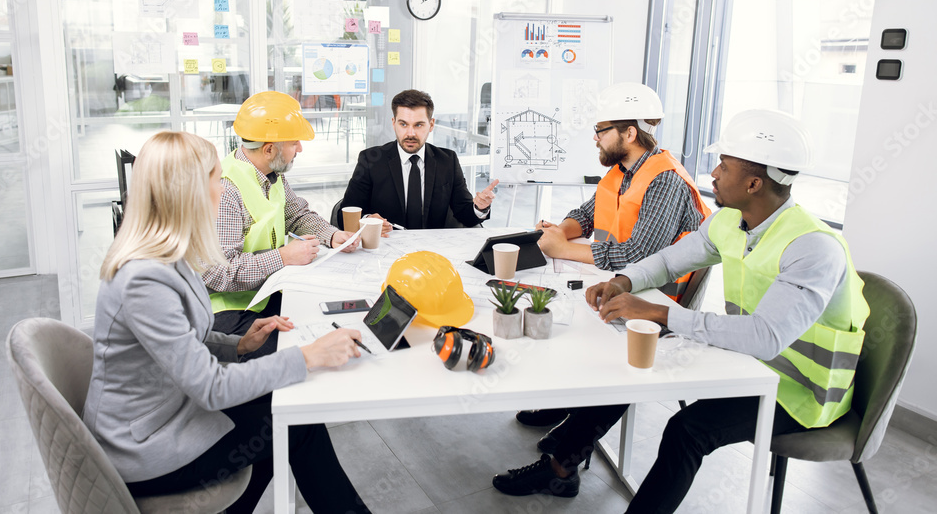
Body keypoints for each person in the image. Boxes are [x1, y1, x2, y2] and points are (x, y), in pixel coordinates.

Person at [491, 110, 869, 513]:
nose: (714, 173)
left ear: (754, 183)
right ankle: (560, 471)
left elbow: (765, 337)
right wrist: (624, 281)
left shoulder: (813, 247)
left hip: (797, 392)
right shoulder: (731, 219)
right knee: (626, 370)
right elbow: (669, 262)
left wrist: (662, 315)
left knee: (688, 430)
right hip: (743, 360)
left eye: (724, 165)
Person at [84, 131, 371, 514]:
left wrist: (236, 345)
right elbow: (211, 388)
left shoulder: (167, 252)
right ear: (187, 192)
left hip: (170, 411)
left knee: (287, 422)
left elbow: (184, 340)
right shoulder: (143, 279)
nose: (222, 190)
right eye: (215, 180)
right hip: (144, 446)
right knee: (295, 425)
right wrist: (307, 357)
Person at [517, 82, 710, 431]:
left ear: (630, 133)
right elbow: (588, 214)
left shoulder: (665, 180)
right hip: (617, 282)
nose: (595, 138)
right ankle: (566, 404)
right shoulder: (620, 170)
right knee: (559, 306)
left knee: (570, 320)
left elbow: (639, 254)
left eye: (601, 131)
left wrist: (562, 249)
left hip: (655, 299)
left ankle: (566, 454)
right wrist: (561, 230)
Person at [202, 91, 359, 360]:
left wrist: (332, 235)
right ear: (269, 149)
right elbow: (218, 274)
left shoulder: (270, 173)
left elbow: (296, 214)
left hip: (264, 293)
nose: (299, 148)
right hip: (228, 311)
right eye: (294, 142)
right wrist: (283, 257)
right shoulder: (226, 189)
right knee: (301, 348)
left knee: (322, 318)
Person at [338, 89, 498, 232]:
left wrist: (479, 207)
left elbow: (465, 215)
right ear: (394, 124)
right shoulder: (370, 160)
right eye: (403, 124)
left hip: (432, 251)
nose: (410, 133)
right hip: (385, 247)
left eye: (419, 125)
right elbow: (344, 213)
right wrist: (367, 221)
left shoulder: (447, 161)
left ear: (431, 124)